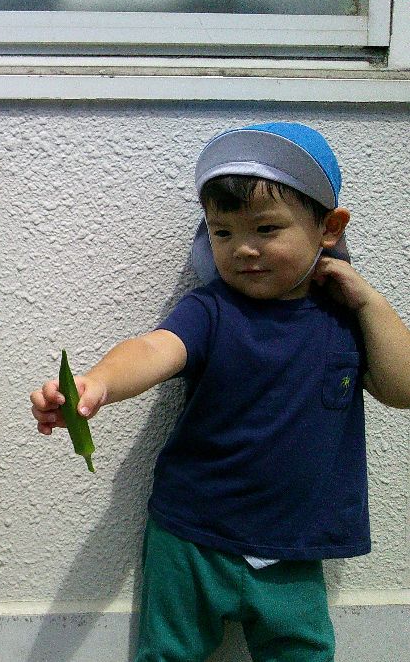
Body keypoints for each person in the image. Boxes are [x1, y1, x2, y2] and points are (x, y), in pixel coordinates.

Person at [30, 123, 410, 661]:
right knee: (169, 654)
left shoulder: (344, 318)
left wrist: (369, 301)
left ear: (329, 228)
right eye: (222, 232)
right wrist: (99, 384)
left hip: (294, 545)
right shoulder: (211, 309)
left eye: (267, 228)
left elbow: (401, 388)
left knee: (302, 653)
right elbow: (154, 348)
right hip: (191, 534)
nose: (243, 249)